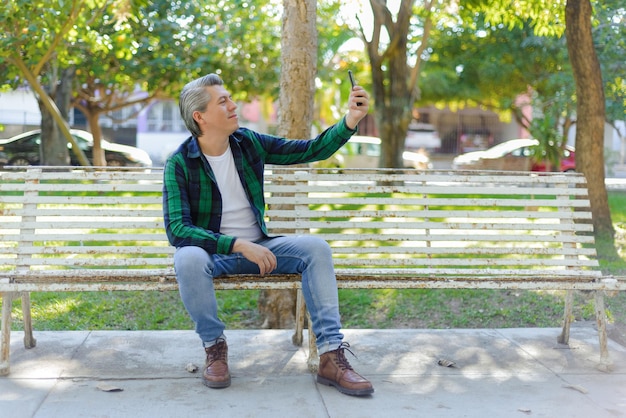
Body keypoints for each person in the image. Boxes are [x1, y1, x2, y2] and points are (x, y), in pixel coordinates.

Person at [163, 73, 373, 396]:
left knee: (316, 248)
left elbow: (310, 150)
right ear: (199, 116)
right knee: (187, 258)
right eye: (223, 101)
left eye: (230, 98)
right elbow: (178, 230)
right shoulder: (180, 162)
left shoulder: (248, 143)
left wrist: (349, 120)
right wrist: (236, 244)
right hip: (214, 255)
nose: (234, 106)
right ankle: (214, 348)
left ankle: (331, 355)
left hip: (263, 248)